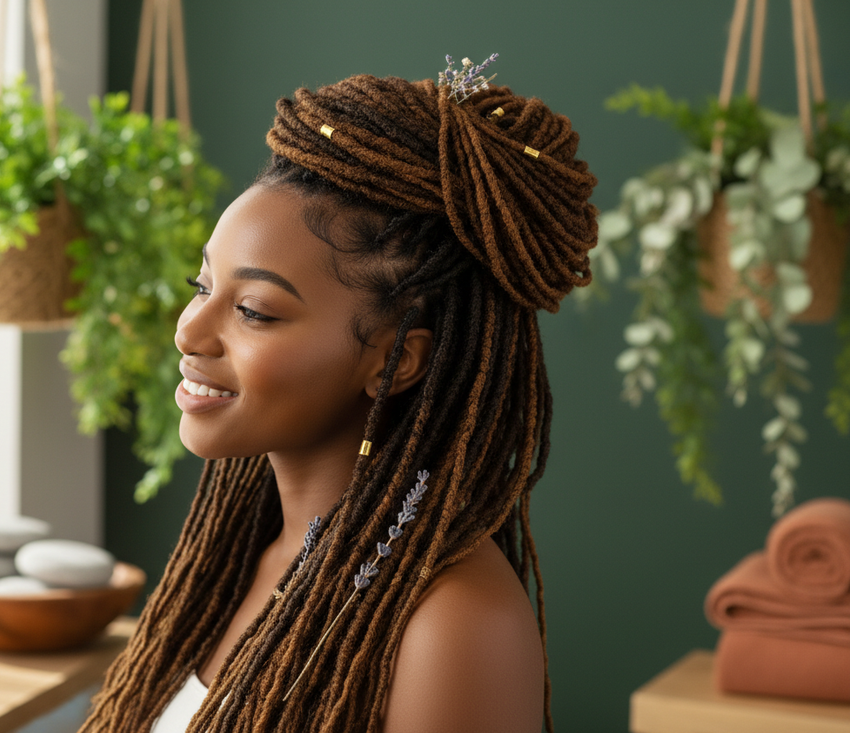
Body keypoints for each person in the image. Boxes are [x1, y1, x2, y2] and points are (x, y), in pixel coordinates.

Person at [80, 60, 598, 733]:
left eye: (256, 311)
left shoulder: (454, 625)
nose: (190, 329)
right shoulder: (242, 551)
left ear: (395, 360)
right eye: (202, 285)